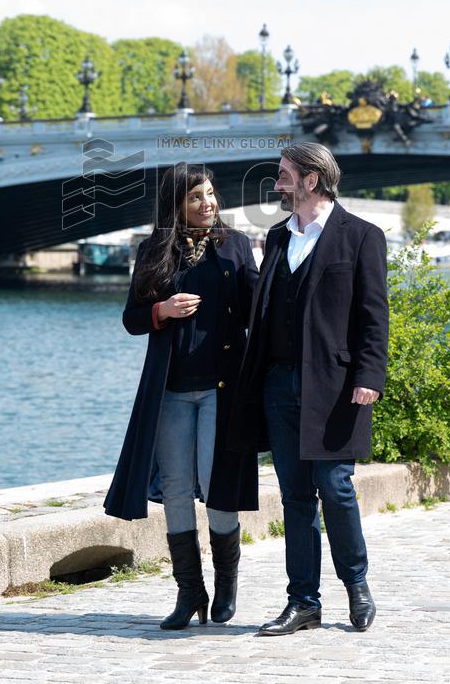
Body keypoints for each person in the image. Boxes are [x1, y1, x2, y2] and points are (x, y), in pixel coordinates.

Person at [228, 141, 388, 636]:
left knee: (336, 489)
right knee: (295, 497)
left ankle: (356, 585)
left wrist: (369, 376)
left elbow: (373, 315)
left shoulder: (361, 236)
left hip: (337, 386)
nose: (276, 183)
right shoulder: (277, 238)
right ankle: (304, 602)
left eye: (283, 174)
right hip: (278, 384)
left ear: (310, 180)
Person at [104, 162, 260, 630]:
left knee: (217, 487)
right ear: (176, 204)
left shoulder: (234, 244)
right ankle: (189, 591)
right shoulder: (154, 249)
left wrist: (266, 272)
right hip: (170, 389)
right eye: (195, 197)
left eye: (210, 194)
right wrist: (161, 309)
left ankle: (226, 582)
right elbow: (132, 318)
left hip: (220, 387)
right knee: (173, 489)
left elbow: (255, 308)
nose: (206, 204)